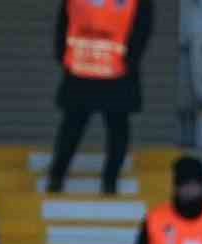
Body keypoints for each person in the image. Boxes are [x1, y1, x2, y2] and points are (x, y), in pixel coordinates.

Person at [46, 0, 153, 196]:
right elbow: (64, 19)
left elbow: (142, 27)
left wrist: (131, 60)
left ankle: (108, 181)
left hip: (110, 70)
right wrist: (62, 53)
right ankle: (58, 176)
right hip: (92, 69)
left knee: (110, 127)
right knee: (75, 126)